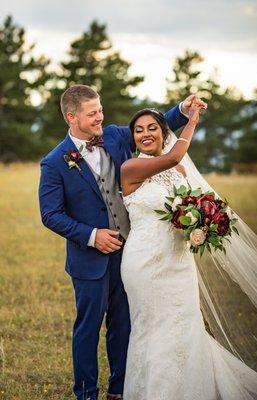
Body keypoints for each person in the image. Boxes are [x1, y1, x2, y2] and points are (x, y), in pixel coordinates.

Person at [38, 84, 206, 400]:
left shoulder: (115, 135)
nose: (100, 117)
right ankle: (86, 393)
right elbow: (51, 214)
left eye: (100, 110)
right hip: (89, 261)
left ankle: (119, 390)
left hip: (132, 253)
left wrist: (183, 110)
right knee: (88, 329)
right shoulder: (54, 162)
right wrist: (92, 236)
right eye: (92, 114)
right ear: (72, 117)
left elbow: (153, 125)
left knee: (124, 325)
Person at [120, 106, 257, 399]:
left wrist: (201, 227)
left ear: (163, 132)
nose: (146, 134)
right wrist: (192, 120)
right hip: (144, 262)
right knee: (152, 326)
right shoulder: (130, 168)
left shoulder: (181, 171)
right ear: (133, 138)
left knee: (184, 322)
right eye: (139, 130)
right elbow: (173, 155)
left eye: (152, 127)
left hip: (178, 260)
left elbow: (191, 207)